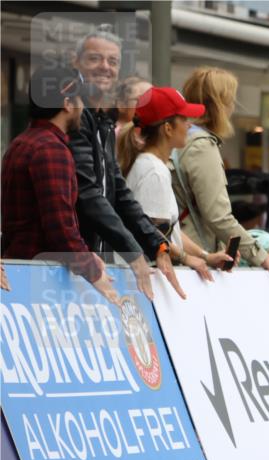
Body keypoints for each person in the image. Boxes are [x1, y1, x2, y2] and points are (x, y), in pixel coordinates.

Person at [70, 29, 184, 301]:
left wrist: (157, 245)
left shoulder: (104, 122)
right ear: (76, 63)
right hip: (69, 263)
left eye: (113, 61)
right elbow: (87, 193)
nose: (105, 67)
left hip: (99, 263)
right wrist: (135, 251)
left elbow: (119, 192)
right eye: (95, 58)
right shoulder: (72, 116)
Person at [2, 66, 118, 304]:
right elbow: (60, 226)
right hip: (39, 281)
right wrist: (93, 271)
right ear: (67, 104)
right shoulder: (51, 149)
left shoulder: (20, 143)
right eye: (78, 99)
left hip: (20, 273)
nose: (82, 107)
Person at [173, 66, 269, 283]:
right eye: (230, 100)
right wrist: (261, 257)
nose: (233, 107)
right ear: (218, 105)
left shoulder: (183, 138)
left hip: (184, 252)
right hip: (194, 260)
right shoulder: (202, 147)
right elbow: (218, 217)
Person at [122, 86, 233, 281]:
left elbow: (169, 230)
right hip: (146, 280)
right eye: (184, 119)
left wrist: (206, 256)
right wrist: (186, 258)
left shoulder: (154, 166)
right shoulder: (154, 171)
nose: (189, 125)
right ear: (168, 128)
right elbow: (154, 236)